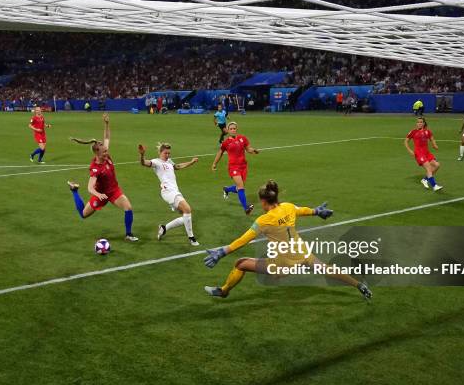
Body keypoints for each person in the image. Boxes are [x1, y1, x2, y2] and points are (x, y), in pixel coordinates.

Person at [203, 180, 372, 300]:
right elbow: (303, 210)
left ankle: (224, 291)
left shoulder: (264, 220)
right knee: (325, 268)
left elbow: (243, 239)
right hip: (303, 255)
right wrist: (317, 211)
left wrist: (222, 252)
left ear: (263, 201)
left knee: (240, 264)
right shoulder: (288, 207)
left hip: (283, 264)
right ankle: (359, 285)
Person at [67, 113, 138, 242]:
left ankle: (128, 235)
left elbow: (106, 137)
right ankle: (74, 191)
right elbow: (90, 187)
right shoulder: (95, 167)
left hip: (114, 191)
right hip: (101, 194)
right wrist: (98, 195)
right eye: (104, 151)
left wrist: (106, 123)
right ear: (97, 153)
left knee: (128, 207)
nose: (107, 152)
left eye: (106, 150)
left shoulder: (106, 155)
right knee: (83, 214)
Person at [139, 142, 199, 246]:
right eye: (165, 153)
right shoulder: (156, 162)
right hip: (168, 192)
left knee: (186, 216)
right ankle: (192, 238)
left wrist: (191, 162)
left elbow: (178, 166)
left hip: (175, 190)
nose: (167, 155)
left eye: (169, 153)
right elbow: (144, 163)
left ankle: (164, 228)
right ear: (160, 152)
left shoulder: (169, 161)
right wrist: (142, 154)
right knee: (188, 209)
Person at [212, 122, 259, 215]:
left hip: (243, 166)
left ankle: (227, 189)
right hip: (233, 167)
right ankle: (246, 207)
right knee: (241, 187)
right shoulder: (226, 142)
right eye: (231, 129)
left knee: (239, 187)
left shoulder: (243, 138)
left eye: (234, 128)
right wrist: (214, 164)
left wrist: (254, 150)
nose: (233, 130)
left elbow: (248, 149)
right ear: (228, 130)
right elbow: (220, 153)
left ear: (236, 129)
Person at [405, 117, 443, 191]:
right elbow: (406, 141)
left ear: (424, 123)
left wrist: (434, 144)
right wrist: (410, 150)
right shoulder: (413, 132)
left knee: (437, 165)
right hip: (419, 154)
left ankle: (425, 179)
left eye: (421, 122)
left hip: (427, 153)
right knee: (428, 167)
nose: (419, 123)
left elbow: (432, 138)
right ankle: (434, 186)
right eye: (418, 122)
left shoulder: (427, 131)